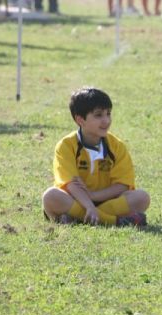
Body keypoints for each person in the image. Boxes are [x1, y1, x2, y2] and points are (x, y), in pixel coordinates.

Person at [42, 87, 150, 227]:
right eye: (98, 115)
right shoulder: (66, 145)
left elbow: (122, 185)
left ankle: (75, 218)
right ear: (80, 120)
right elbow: (70, 185)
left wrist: (93, 197)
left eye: (108, 114)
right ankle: (114, 221)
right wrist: (88, 205)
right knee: (51, 196)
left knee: (142, 198)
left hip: (107, 200)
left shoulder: (116, 146)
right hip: (75, 199)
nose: (106, 120)